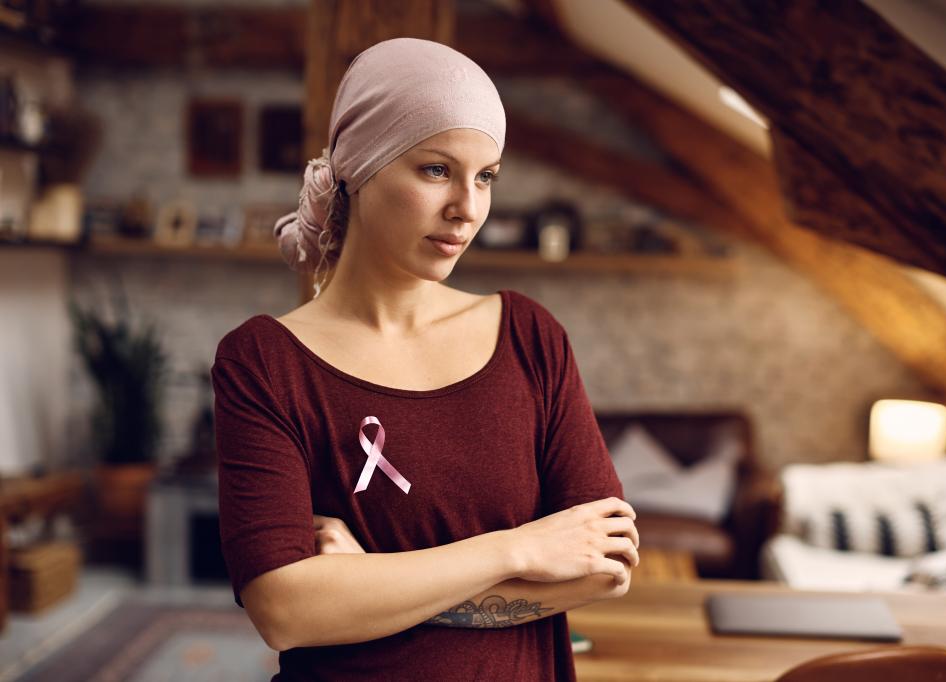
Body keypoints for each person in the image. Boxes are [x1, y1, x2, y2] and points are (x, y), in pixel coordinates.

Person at [211, 37, 639, 681]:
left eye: (486, 176)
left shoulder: (529, 336)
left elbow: (605, 568)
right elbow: (285, 610)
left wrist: (364, 585)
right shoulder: (264, 362)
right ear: (359, 166)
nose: (468, 208)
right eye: (436, 169)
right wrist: (516, 549)